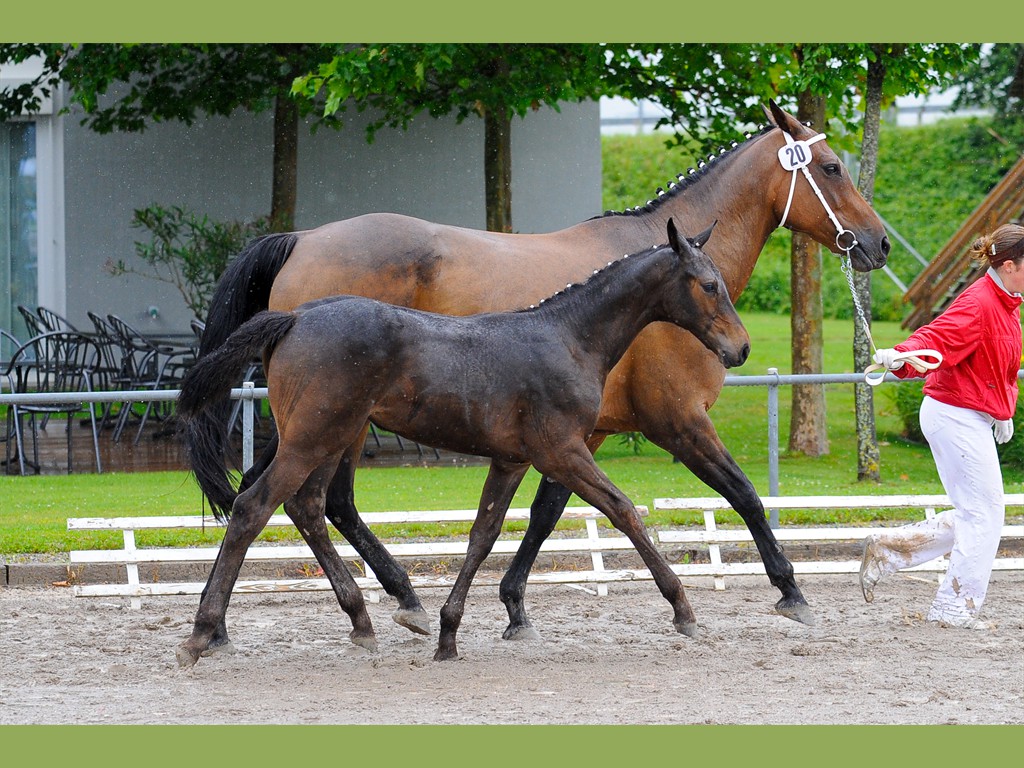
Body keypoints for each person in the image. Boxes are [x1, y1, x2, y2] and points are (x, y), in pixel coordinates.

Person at [860, 222, 1023, 630]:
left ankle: (890, 549)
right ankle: (954, 610)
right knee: (984, 516)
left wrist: (1002, 410)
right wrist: (900, 354)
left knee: (976, 513)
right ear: (1007, 266)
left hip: (968, 414)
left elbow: (993, 365)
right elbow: (938, 338)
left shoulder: (1004, 303)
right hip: (955, 415)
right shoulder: (980, 304)